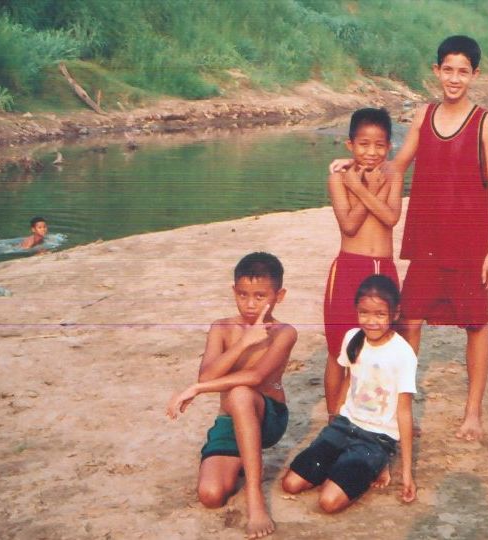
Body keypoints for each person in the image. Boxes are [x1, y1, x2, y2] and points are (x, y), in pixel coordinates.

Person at [392, 35, 488, 441]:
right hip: (427, 242)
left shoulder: (485, 123)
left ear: (474, 75)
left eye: (463, 71)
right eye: (448, 70)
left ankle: (472, 412)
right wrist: (356, 161)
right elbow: (398, 165)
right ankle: (403, 408)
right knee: (410, 319)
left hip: (470, 244)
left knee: (476, 324)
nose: (454, 79)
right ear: (436, 71)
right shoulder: (423, 116)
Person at [166, 252, 297, 539]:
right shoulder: (222, 328)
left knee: (239, 393)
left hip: (268, 419)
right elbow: (207, 375)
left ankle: (255, 498)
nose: (250, 304)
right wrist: (244, 342)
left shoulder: (284, 332)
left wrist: (198, 390)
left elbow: (256, 377)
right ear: (233, 291)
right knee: (210, 495)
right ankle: (241, 460)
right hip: (230, 420)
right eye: (243, 295)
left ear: (280, 295)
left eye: (260, 296)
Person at [282, 275, 417, 512]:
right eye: (364, 312)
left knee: (328, 502)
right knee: (290, 484)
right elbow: (348, 381)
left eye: (380, 314)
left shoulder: (402, 354)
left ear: (395, 314)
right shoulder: (352, 338)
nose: (371, 321)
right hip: (344, 426)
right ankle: (342, 464)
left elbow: (404, 413)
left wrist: (407, 474)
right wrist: (333, 419)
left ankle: (376, 463)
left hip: (376, 438)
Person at [323, 107, 403, 423]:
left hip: (384, 267)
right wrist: (363, 187)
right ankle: (334, 417)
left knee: (380, 345)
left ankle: (377, 416)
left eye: (379, 145)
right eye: (363, 144)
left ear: (389, 146)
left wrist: (361, 189)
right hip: (348, 268)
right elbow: (349, 226)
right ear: (350, 145)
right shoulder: (338, 178)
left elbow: (391, 217)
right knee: (338, 348)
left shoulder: (393, 173)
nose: (371, 152)